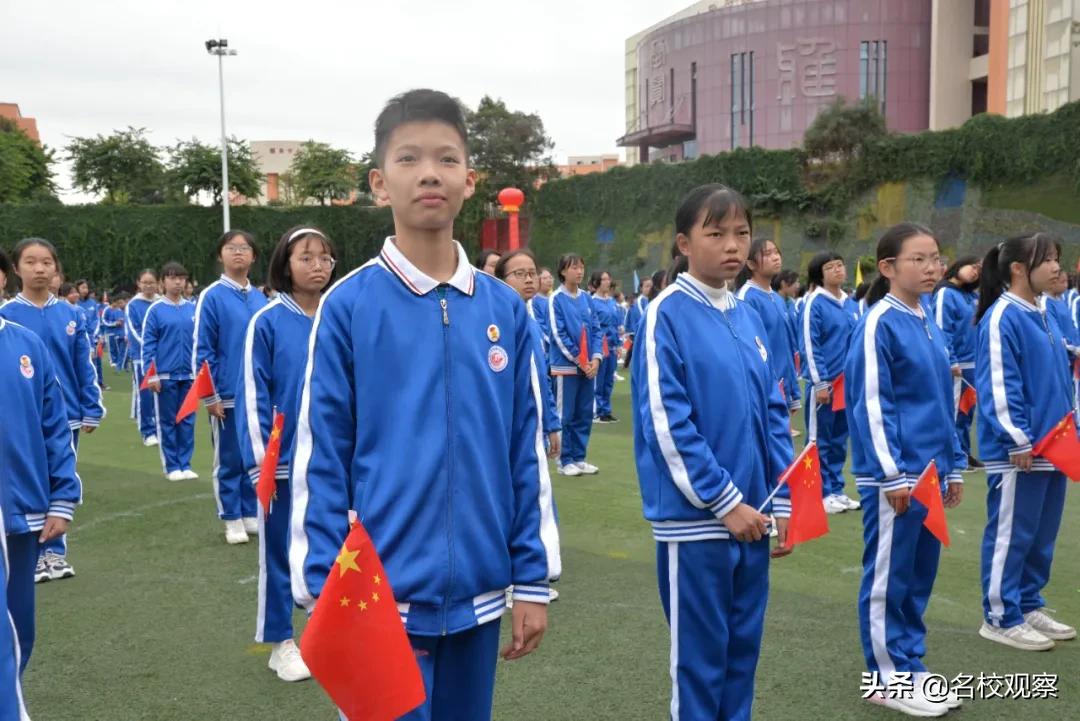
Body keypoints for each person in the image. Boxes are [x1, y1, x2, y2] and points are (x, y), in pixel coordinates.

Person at [290, 89, 558, 721]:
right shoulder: (349, 306)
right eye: (409, 159)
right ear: (380, 183)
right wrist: (323, 583)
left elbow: (525, 451)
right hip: (375, 599)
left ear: (472, 179)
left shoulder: (504, 311)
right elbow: (323, 455)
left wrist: (532, 578)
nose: (430, 172)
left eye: (447, 158)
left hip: (481, 595)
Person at [632, 184, 793, 721]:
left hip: (755, 515)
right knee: (700, 664)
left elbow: (772, 410)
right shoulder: (665, 313)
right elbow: (666, 423)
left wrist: (782, 497)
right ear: (683, 243)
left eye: (742, 233)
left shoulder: (746, 313)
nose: (732, 245)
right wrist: (724, 501)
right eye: (716, 233)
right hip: (698, 523)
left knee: (741, 656)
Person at [845, 223, 967, 717]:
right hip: (898, 477)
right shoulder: (880, 322)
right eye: (919, 259)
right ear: (888, 268)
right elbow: (873, 405)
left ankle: (910, 664)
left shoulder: (927, 319)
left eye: (935, 258)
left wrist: (954, 465)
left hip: (932, 473)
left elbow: (944, 401)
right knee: (888, 577)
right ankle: (885, 676)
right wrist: (891, 474)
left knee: (919, 574)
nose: (932, 267)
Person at [237, 226, 338, 683]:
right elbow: (255, 394)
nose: (317, 265)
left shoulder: (341, 315)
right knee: (280, 552)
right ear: (285, 264)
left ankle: (330, 633)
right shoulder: (268, 321)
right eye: (306, 257)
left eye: (325, 257)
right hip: (284, 461)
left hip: (336, 459)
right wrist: (264, 464)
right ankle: (281, 642)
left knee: (339, 549)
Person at [974, 233, 1076, 651]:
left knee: (1041, 532)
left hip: (1056, 444)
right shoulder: (1002, 317)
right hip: (1022, 450)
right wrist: (1017, 439)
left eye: (1056, 258)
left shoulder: (1046, 311)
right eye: (1047, 259)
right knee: (1012, 532)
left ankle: (1029, 601)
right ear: (1018, 268)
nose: (1057, 267)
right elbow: (1000, 384)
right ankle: (999, 615)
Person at [1, 238, 102, 585]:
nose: (39, 269)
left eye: (46, 262)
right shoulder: (7, 315)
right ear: (15, 269)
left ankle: (55, 551)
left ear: (56, 268)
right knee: (25, 477)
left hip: (66, 414)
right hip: (22, 417)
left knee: (59, 476)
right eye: (30, 262)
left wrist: (91, 407)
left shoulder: (71, 314)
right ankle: (30, 553)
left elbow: (84, 364)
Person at [0, 310, 81, 678]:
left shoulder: (26, 343)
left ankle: (12, 704)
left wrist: (62, 499)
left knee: (19, 629)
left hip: (21, 512)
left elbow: (55, 426)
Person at [194, 230, 268, 545]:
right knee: (228, 457)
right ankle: (231, 516)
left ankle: (250, 511)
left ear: (253, 256)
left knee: (255, 455)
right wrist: (209, 394)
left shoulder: (261, 297)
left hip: (259, 394)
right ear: (220, 255)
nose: (238, 252)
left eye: (244, 248)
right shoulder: (212, 296)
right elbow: (202, 349)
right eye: (231, 247)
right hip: (226, 392)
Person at [801, 252, 859, 514]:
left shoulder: (850, 302)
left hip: (848, 384)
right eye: (829, 267)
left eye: (839, 264)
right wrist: (819, 382)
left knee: (839, 440)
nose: (837, 270)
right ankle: (818, 494)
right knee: (819, 440)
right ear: (819, 274)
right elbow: (810, 344)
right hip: (826, 384)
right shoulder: (815, 302)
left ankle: (836, 489)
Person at [494, 249, 561, 462]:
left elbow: (541, 377)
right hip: (508, 427)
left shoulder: (530, 321)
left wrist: (551, 424)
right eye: (520, 274)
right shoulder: (495, 324)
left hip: (534, 425)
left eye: (533, 273)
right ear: (500, 280)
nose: (529, 279)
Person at [141, 263, 198, 482]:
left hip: (190, 376)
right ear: (162, 281)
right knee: (167, 421)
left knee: (187, 421)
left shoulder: (192, 308)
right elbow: (148, 345)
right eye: (173, 278)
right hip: (165, 376)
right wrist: (151, 373)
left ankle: (186, 463)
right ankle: (172, 465)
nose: (178, 282)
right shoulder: (155, 310)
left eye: (182, 278)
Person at [735, 238, 802, 417]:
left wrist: (792, 391)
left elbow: (786, 347)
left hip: (782, 387)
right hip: (763, 393)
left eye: (776, 252)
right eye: (767, 254)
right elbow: (747, 352)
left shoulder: (778, 299)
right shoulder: (746, 298)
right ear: (750, 263)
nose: (775, 257)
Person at [548, 253, 602, 476]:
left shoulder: (588, 299)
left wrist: (596, 359)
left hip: (588, 368)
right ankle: (563, 459)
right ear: (562, 271)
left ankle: (579, 457)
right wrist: (580, 361)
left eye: (581, 267)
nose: (579, 271)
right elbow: (558, 334)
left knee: (584, 413)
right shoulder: (556, 299)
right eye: (574, 268)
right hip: (566, 368)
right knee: (565, 415)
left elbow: (597, 330)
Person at [933, 256, 982, 469]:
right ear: (959, 264)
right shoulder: (945, 293)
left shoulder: (970, 296)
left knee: (966, 412)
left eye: (979, 271)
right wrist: (951, 361)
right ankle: (951, 455)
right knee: (954, 411)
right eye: (973, 266)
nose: (975, 272)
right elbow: (942, 330)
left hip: (973, 362)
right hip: (957, 364)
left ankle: (963, 451)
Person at [127, 269, 161, 447]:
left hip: (163, 358)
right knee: (145, 394)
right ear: (139, 284)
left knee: (162, 394)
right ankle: (147, 431)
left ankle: (160, 427)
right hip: (142, 358)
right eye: (145, 282)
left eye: (152, 282)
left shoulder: (161, 302)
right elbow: (134, 332)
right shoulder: (133, 305)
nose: (148, 286)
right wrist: (152, 347)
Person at [588, 270, 621, 424]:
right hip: (601, 345)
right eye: (604, 279)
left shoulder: (612, 302)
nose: (607, 282)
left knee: (609, 380)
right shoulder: (592, 302)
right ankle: (596, 411)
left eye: (608, 279)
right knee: (599, 380)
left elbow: (616, 325)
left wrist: (619, 344)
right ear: (596, 283)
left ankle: (605, 410)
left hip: (613, 346)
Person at [75, 279, 105, 389]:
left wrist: (95, 335)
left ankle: (98, 383)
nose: (85, 290)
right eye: (82, 287)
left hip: (93, 337)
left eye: (86, 287)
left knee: (96, 361)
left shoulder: (93, 303)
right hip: (80, 336)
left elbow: (97, 320)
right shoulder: (75, 303)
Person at [623, 275, 652, 368]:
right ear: (641, 288)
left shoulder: (651, 299)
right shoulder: (639, 302)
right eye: (647, 286)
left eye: (651, 286)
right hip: (639, 334)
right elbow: (642, 317)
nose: (649, 288)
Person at [102, 293, 129, 371]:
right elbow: (105, 320)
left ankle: (121, 366)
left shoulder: (127, 311)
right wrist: (115, 323)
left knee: (124, 351)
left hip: (124, 334)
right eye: (118, 303)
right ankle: (117, 364)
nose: (119, 304)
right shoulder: (111, 310)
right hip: (115, 333)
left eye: (121, 302)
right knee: (117, 350)